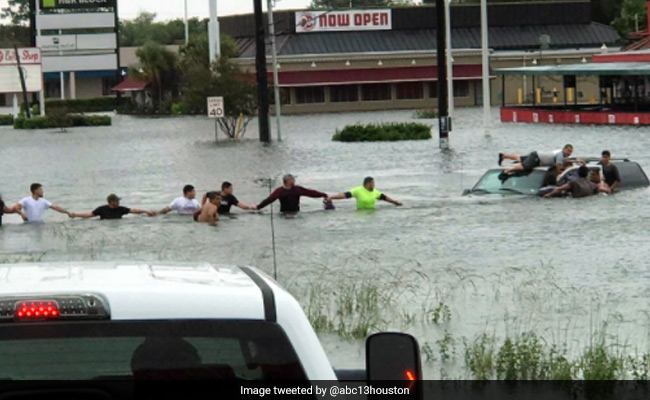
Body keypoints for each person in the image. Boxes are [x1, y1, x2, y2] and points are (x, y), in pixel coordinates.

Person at [255, 174, 328, 213]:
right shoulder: (280, 191)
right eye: (292, 180)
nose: (294, 181)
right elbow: (270, 199)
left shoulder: (298, 189)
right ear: (287, 181)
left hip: (296, 212)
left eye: (294, 179)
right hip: (284, 213)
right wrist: (259, 207)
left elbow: (310, 192)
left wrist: (323, 194)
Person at [326, 177, 402, 210]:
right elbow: (344, 195)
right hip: (361, 213)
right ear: (367, 184)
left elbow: (385, 198)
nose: (374, 185)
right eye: (372, 183)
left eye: (374, 183)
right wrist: (331, 197)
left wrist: (395, 202)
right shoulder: (358, 190)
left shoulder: (375, 192)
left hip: (372, 212)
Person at [500, 144, 574, 175]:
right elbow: (558, 168)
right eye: (568, 151)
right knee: (524, 167)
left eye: (571, 152)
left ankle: (504, 156)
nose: (569, 153)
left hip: (536, 154)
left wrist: (577, 161)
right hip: (537, 158)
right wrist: (562, 173)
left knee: (520, 158)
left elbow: (566, 160)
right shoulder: (560, 155)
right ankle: (508, 170)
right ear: (564, 149)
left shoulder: (559, 152)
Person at [70, 194, 156, 220]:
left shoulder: (121, 209)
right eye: (117, 201)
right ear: (111, 202)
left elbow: (133, 210)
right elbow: (89, 215)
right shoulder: (101, 209)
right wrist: (75, 215)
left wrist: (146, 211)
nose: (119, 202)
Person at [543, 165, 609, 198]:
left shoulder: (573, 183)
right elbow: (605, 190)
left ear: (578, 173)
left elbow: (560, 188)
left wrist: (549, 195)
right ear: (587, 174)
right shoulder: (593, 185)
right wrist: (608, 190)